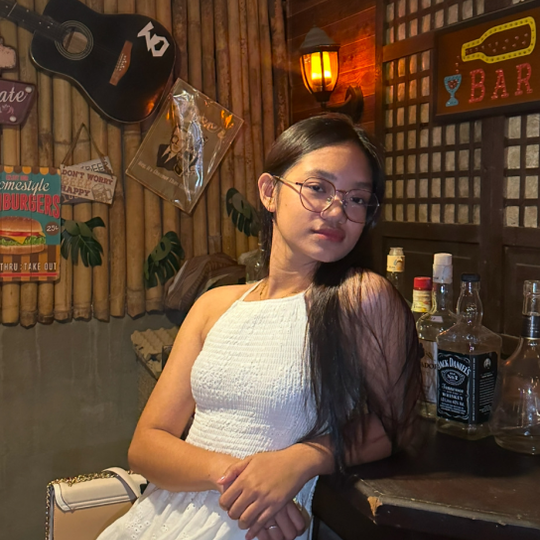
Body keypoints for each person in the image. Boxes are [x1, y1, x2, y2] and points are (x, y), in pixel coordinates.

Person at [97, 113, 421, 540]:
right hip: (168, 514)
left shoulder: (361, 298)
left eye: (357, 199)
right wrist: (243, 480)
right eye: (318, 188)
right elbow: (145, 445)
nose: (337, 211)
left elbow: (398, 425)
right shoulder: (214, 306)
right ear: (270, 192)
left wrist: (302, 459)